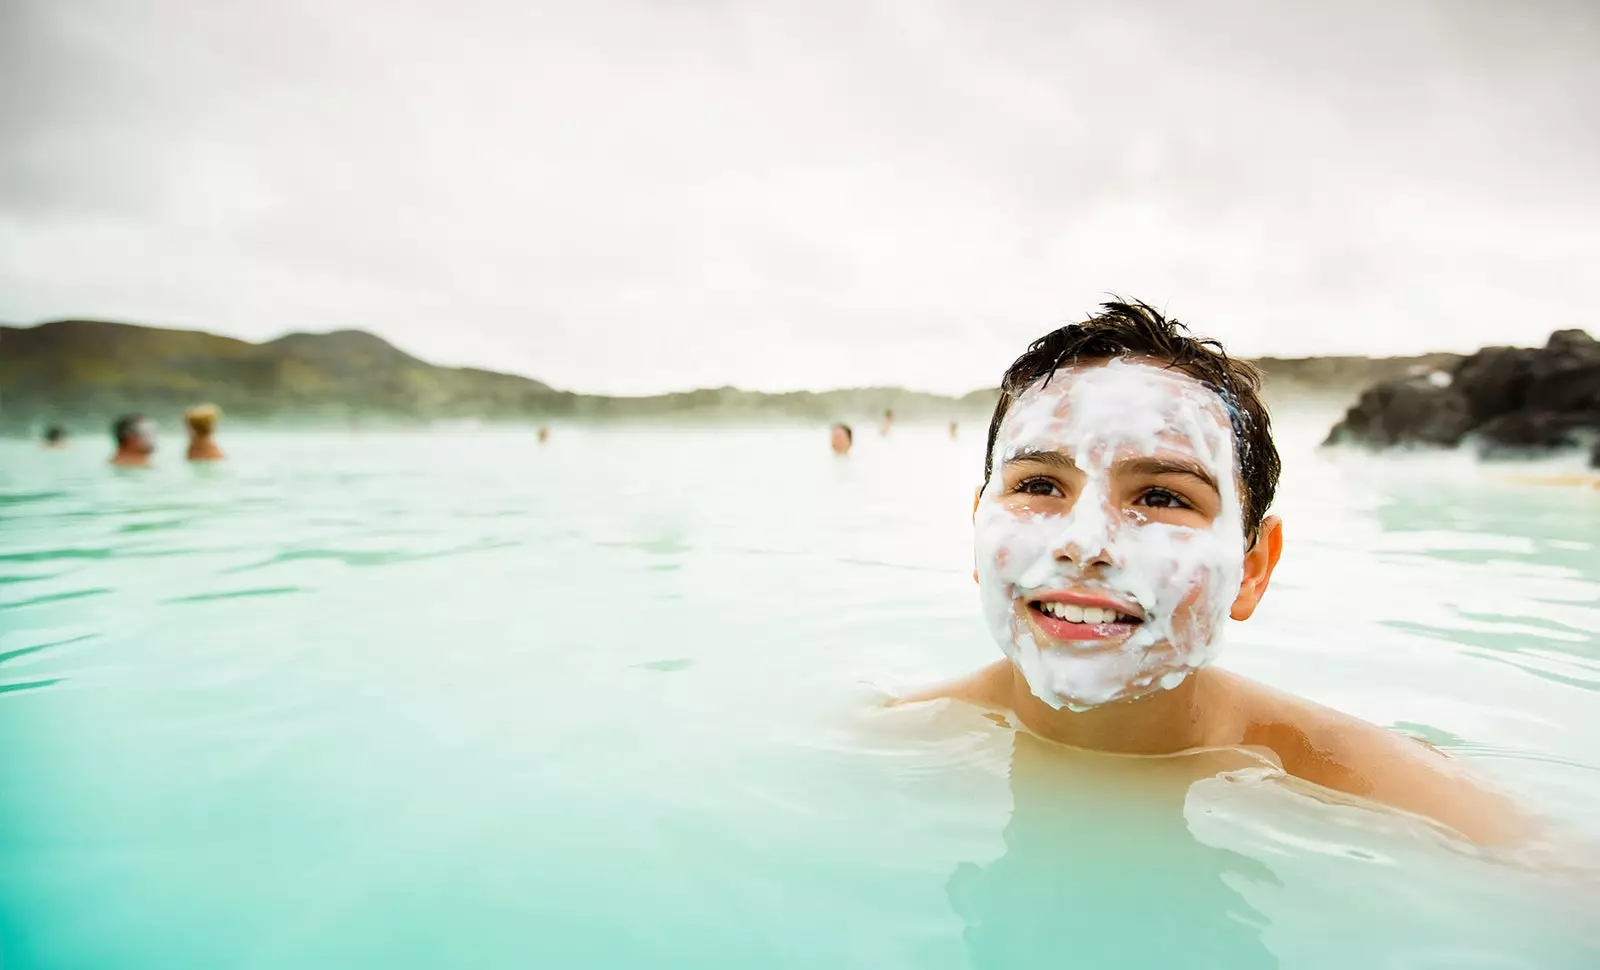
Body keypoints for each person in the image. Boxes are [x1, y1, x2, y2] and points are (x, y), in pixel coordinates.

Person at [894, 300, 1525, 845]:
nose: (1083, 544)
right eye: (1038, 485)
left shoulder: (1412, 801)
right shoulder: (888, 745)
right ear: (978, 530)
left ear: (1253, 570)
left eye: (1162, 497)